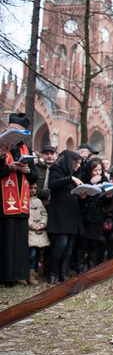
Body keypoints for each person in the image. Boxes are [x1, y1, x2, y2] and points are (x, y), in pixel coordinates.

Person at [0, 113, 38, 286]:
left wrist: (27, 170)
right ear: (7, 128)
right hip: (3, 203)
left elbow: (35, 176)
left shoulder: (25, 149)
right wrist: (7, 166)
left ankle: (18, 275)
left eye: (21, 132)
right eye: (14, 130)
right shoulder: (1, 145)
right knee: (5, 240)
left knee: (19, 241)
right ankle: (4, 277)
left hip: (21, 204)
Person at [46, 150, 85, 284]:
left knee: (69, 246)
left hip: (72, 212)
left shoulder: (75, 173)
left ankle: (63, 274)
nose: (78, 166)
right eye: (77, 163)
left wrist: (82, 195)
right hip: (60, 212)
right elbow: (52, 185)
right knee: (61, 244)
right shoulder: (57, 169)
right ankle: (52, 274)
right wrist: (69, 179)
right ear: (70, 161)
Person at [78, 157, 113, 271]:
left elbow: (106, 203)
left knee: (94, 244)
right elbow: (79, 198)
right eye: (95, 170)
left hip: (97, 217)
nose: (98, 173)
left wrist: (109, 197)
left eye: (99, 170)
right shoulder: (83, 179)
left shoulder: (104, 181)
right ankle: (79, 268)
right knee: (81, 245)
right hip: (84, 215)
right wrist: (89, 184)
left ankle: (91, 268)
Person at [26, 182, 49, 285]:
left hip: (38, 231)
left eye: (35, 188)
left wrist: (42, 223)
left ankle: (33, 272)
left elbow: (44, 213)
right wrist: (31, 225)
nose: (33, 190)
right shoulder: (24, 201)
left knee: (37, 253)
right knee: (31, 253)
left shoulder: (38, 201)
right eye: (31, 188)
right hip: (29, 231)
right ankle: (29, 272)